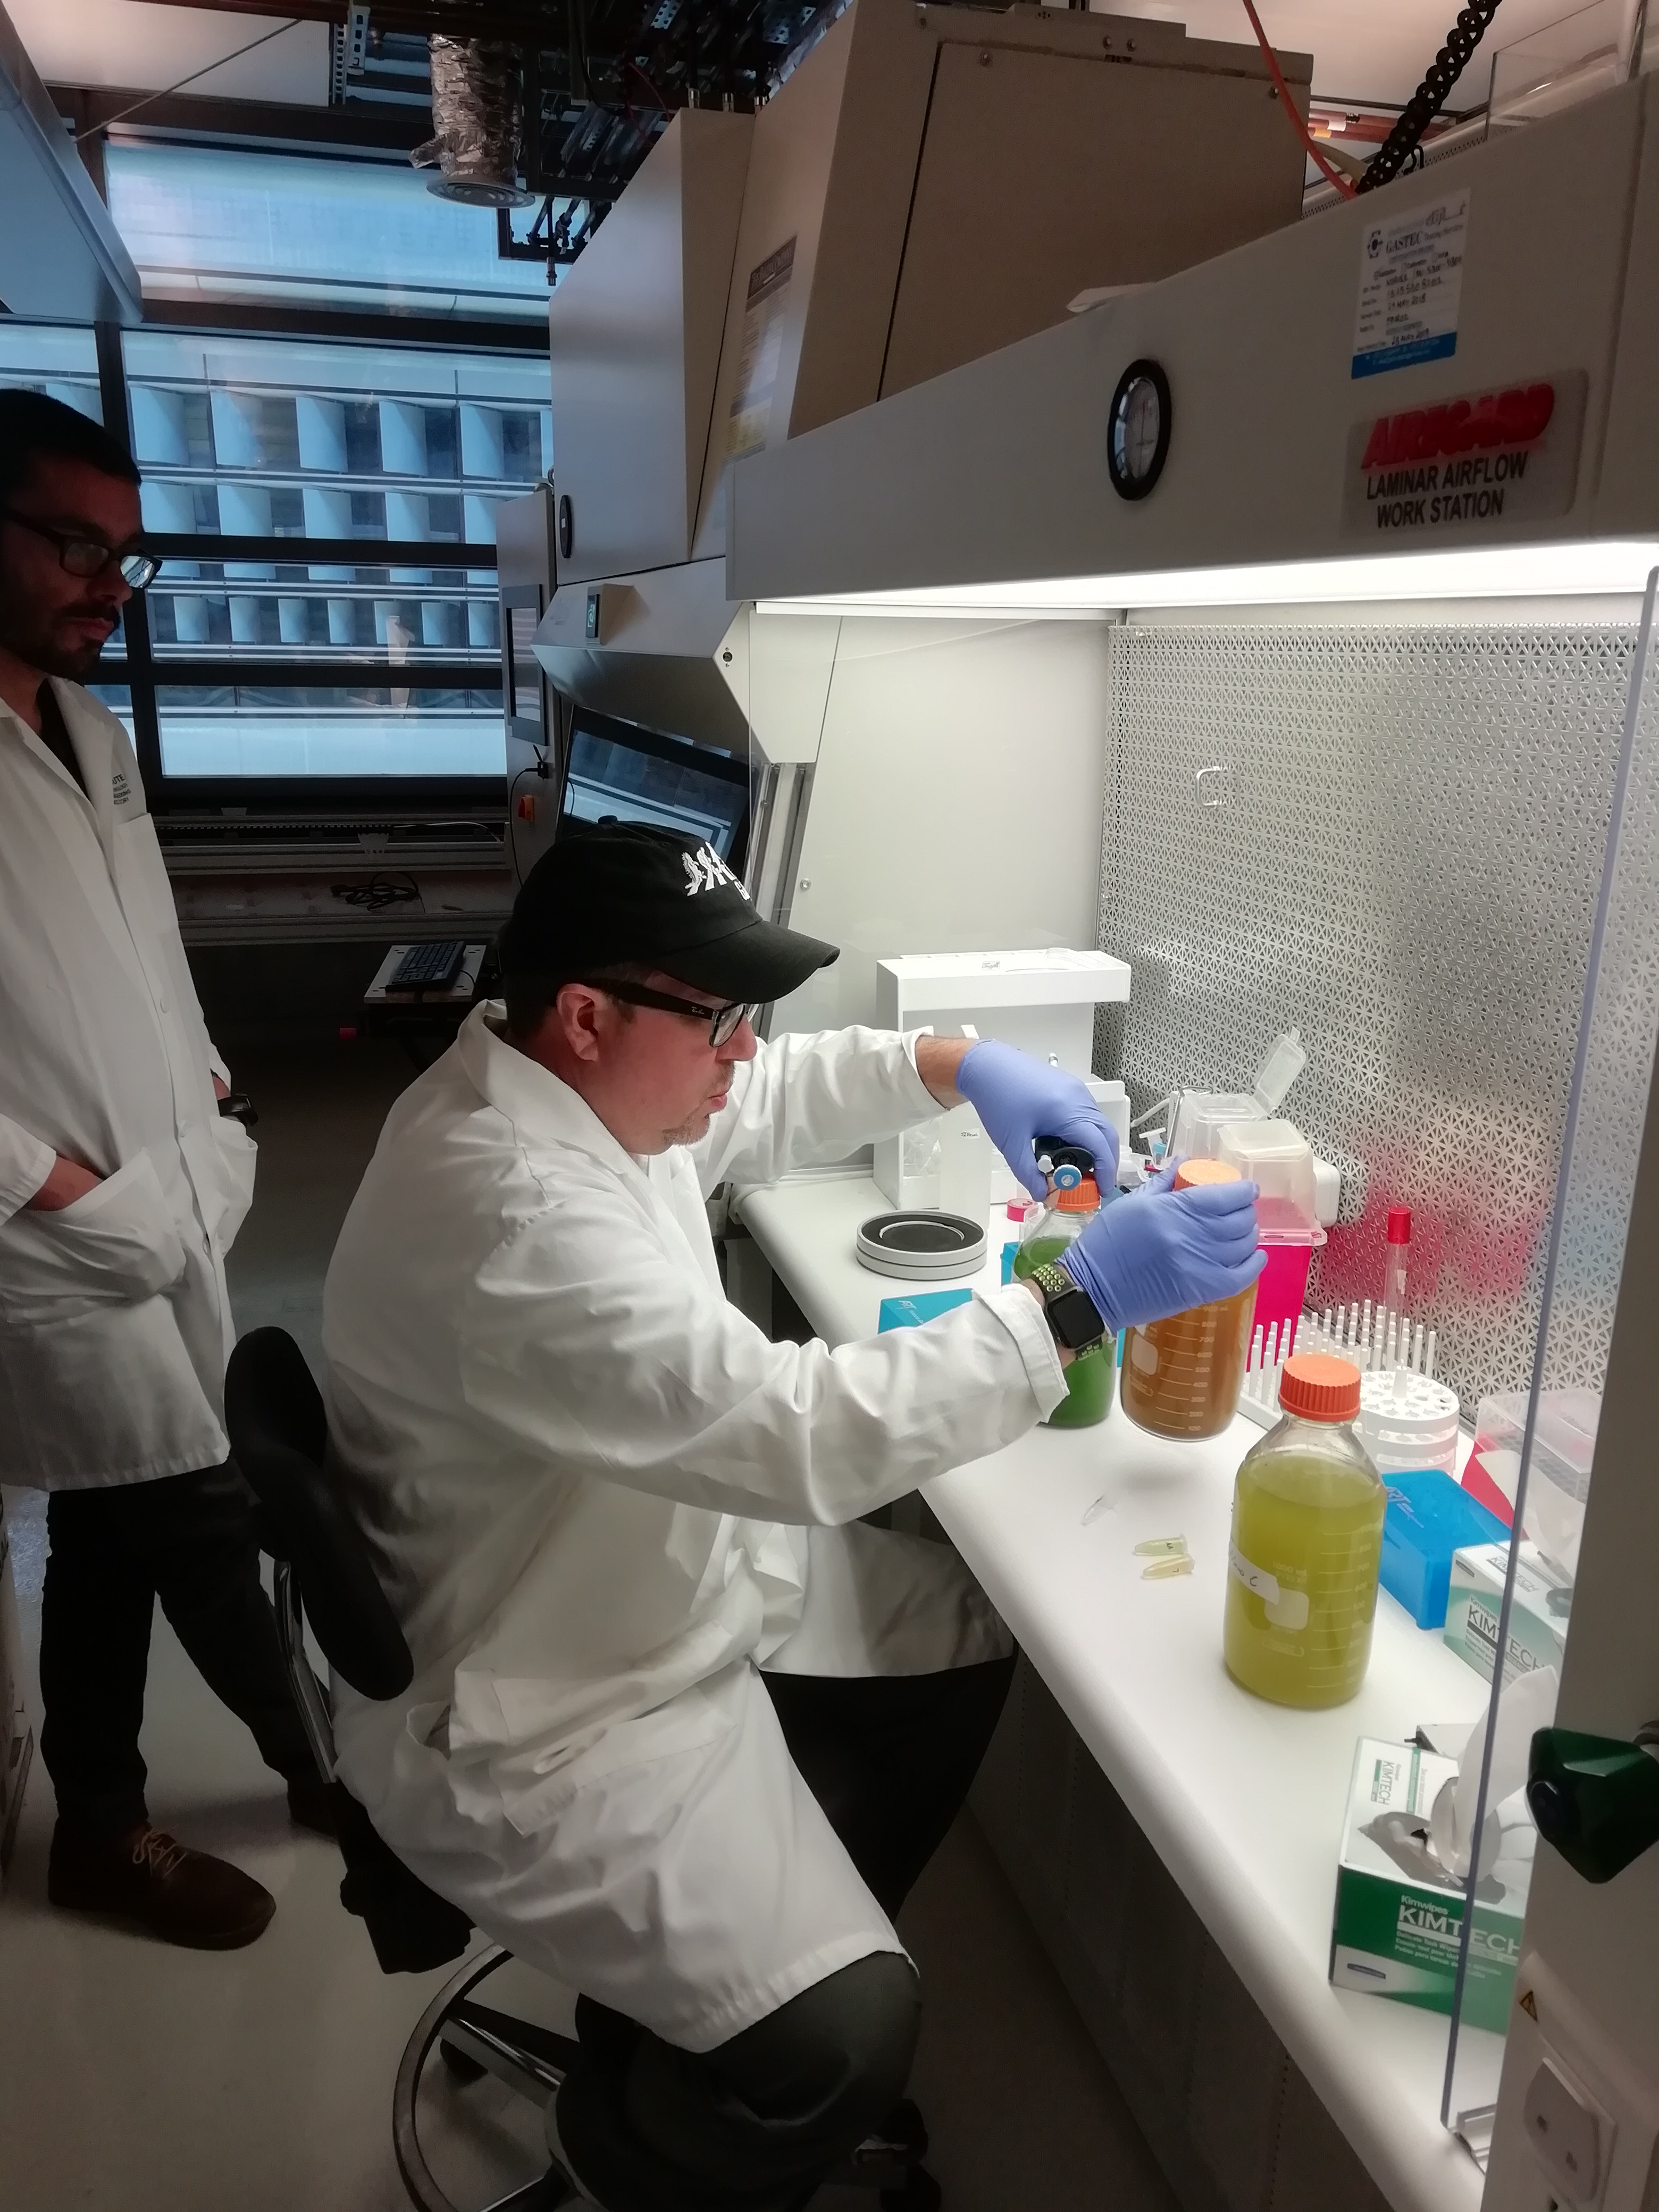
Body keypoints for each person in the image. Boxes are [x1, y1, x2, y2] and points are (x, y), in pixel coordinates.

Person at [322, 822, 1264, 2211]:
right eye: (721, 1019)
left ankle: (695, 2011)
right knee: (851, 2043)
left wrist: (955, 1065)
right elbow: (795, 1434)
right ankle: (640, 2146)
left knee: (959, 1627)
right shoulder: (513, 1214)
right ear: (588, 1015)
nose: (745, 1051)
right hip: (546, 1705)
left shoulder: (551, 1081)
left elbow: (756, 1108)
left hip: (625, 1570)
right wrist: (1074, 1302)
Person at [0, 390, 329, 1952]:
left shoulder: (89, 728)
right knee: (199, 1505)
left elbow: (148, 953)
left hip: (170, 1195)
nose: (105, 586)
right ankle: (332, 1766)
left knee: (118, 1519)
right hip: (52, 1242)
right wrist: (49, 1190)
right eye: (74, 544)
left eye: (123, 556)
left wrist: (215, 1101)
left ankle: (104, 1823)